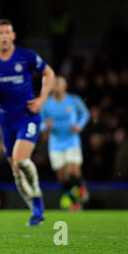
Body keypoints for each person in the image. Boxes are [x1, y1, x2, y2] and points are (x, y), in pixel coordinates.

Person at [0, 19, 55, 226]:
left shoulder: (26, 56)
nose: (4, 36)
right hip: (7, 120)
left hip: (28, 115)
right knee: (16, 171)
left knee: (21, 160)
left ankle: (38, 200)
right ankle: (35, 212)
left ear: (13, 36)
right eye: (0, 33)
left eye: (7, 32)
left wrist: (41, 99)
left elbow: (49, 73)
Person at [40, 76, 90, 210]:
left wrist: (79, 125)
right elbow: (39, 124)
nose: (56, 85)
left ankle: (80, 188)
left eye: (59, 83)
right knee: (62, 177)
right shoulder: (46, 104)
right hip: (56, 143)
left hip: (71, 141)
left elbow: (85, 113)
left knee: (72, 171)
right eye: (54, 83)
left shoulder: (73, 100)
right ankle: (75, 201)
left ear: (65, 86)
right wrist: (45, 125)